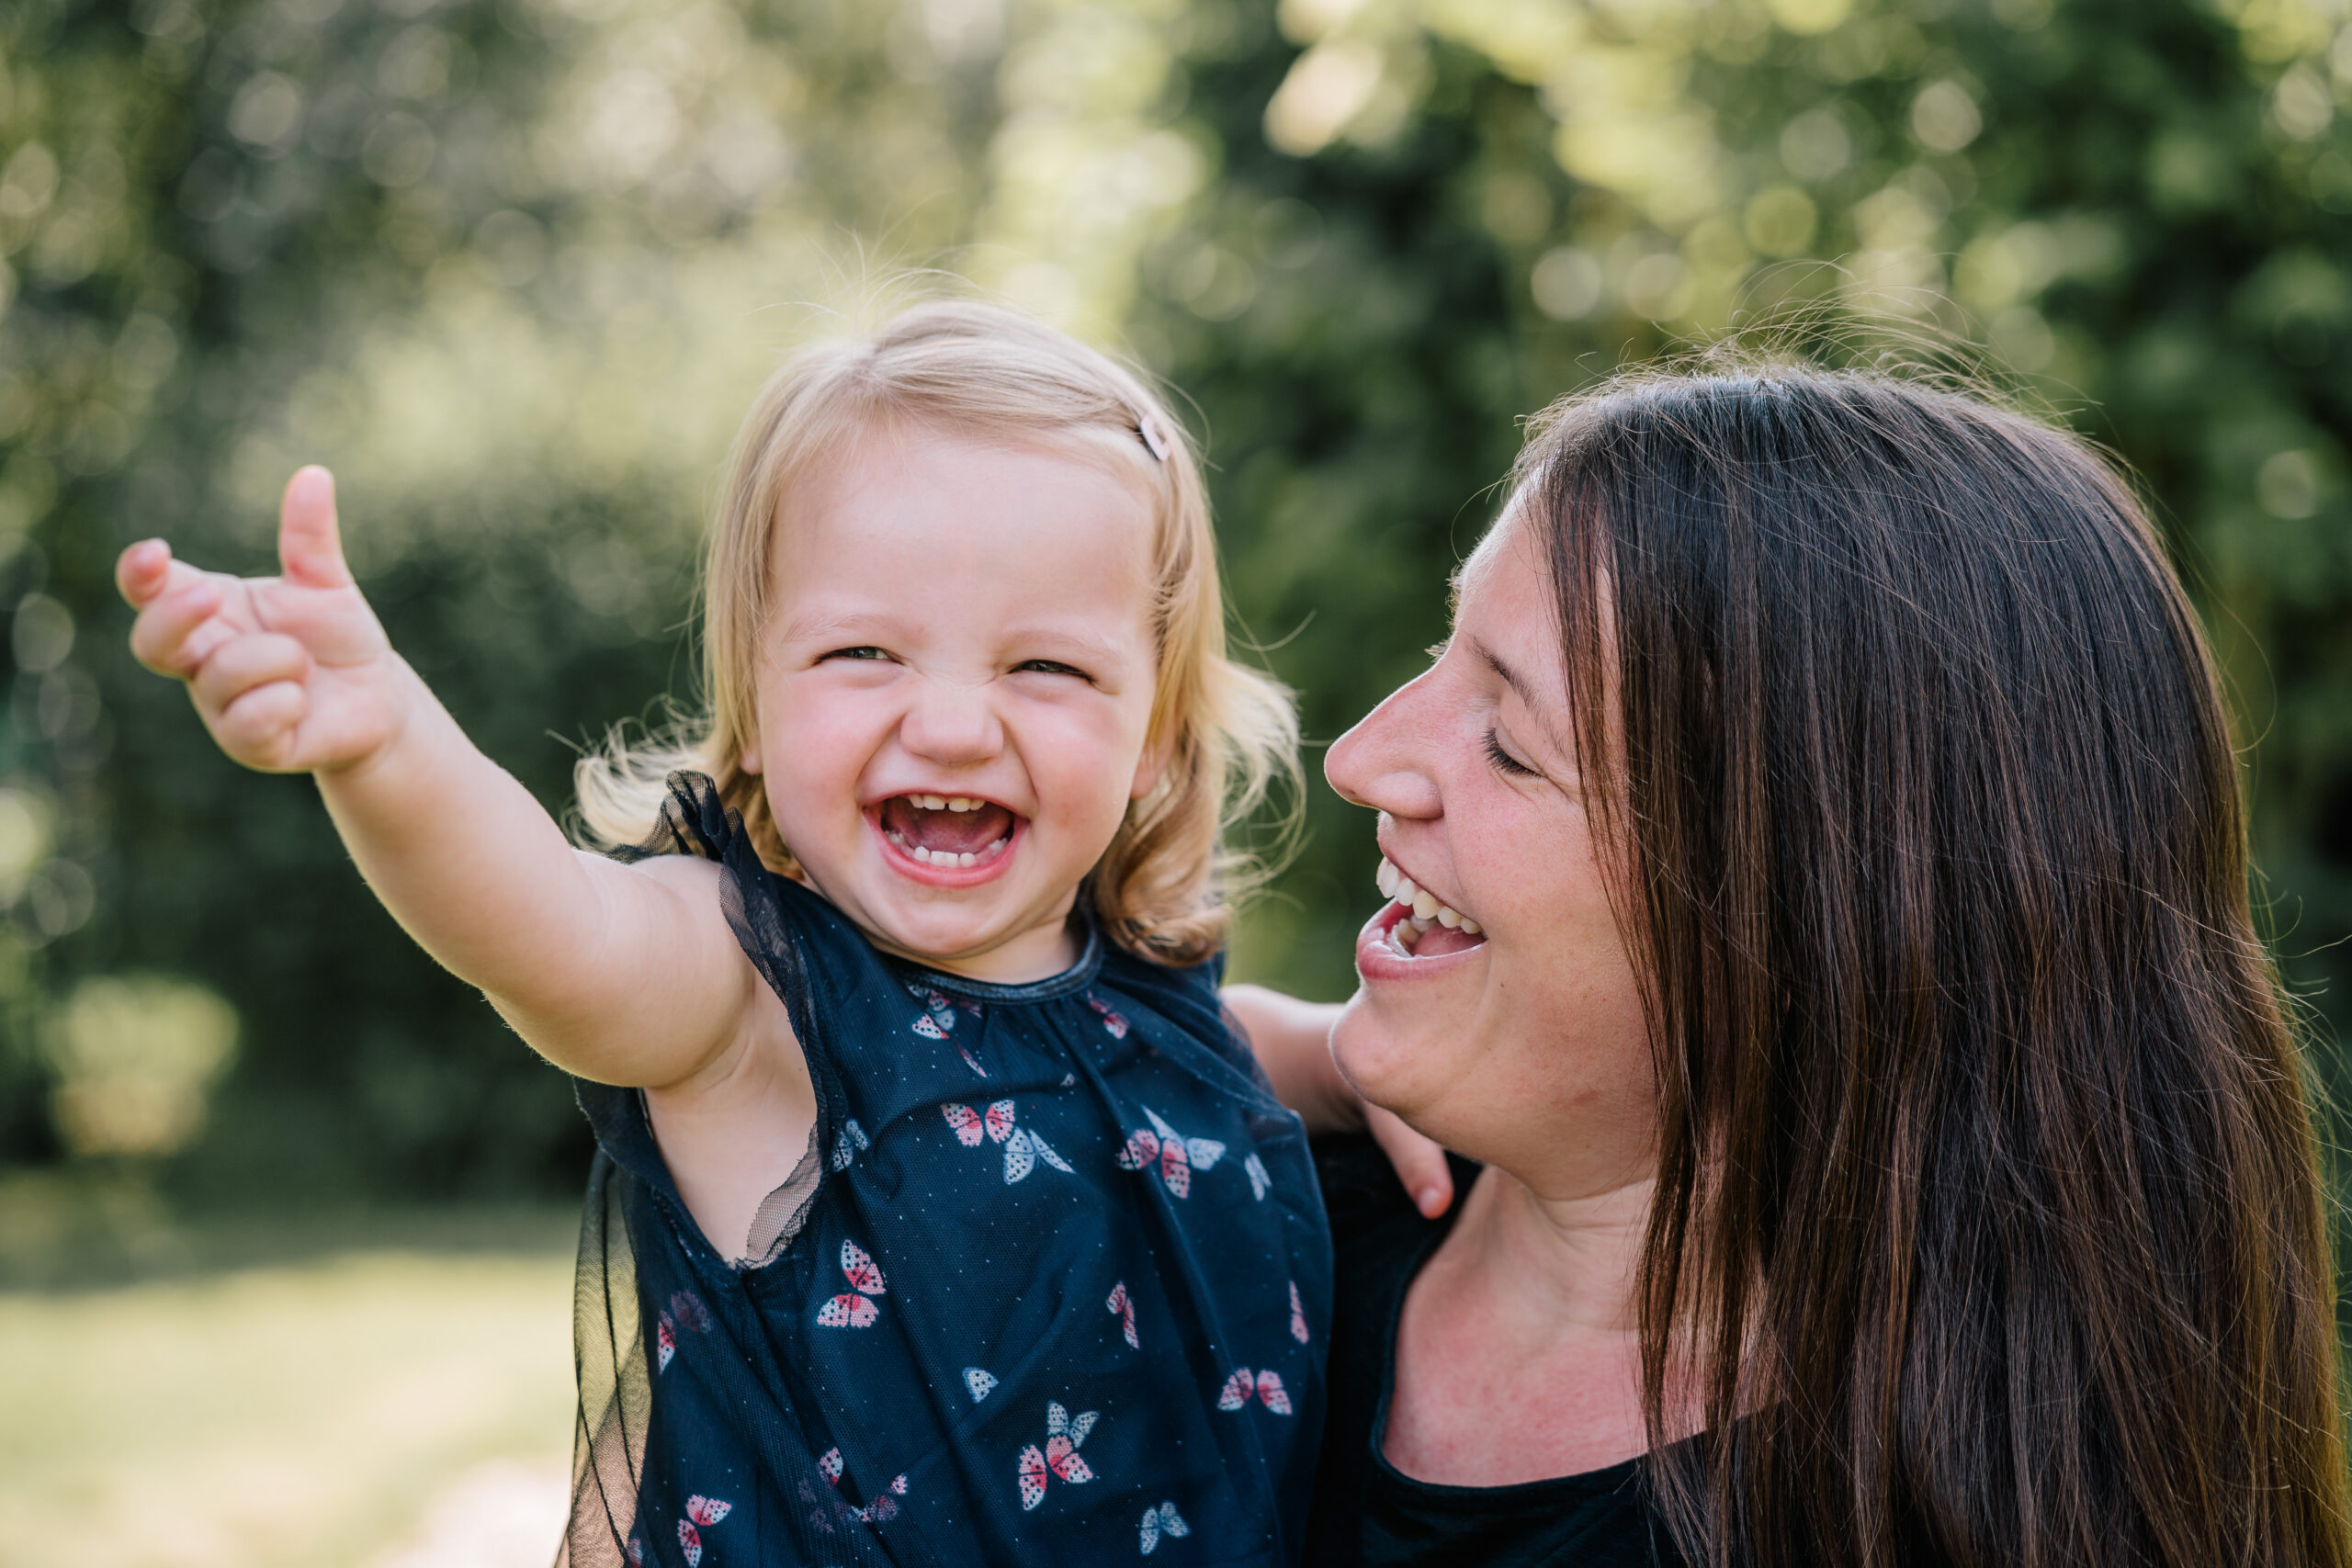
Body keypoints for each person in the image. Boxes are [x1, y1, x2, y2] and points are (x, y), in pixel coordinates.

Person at [115, 301, 1338, 1567]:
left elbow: (1201, 1064)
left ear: (1156, 742)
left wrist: (1348, 1063)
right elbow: (548, 925)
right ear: (753, 702)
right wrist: (384, 743)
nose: (958, 724)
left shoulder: (1149, 987)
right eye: (865, 652)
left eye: (1047, 669)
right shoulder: (750, 993)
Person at [1241, 359, 2352, 1567]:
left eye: (1509, 745)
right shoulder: (1219, 1205)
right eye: (1443, 652)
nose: (1358, 757)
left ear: (1818, 935)